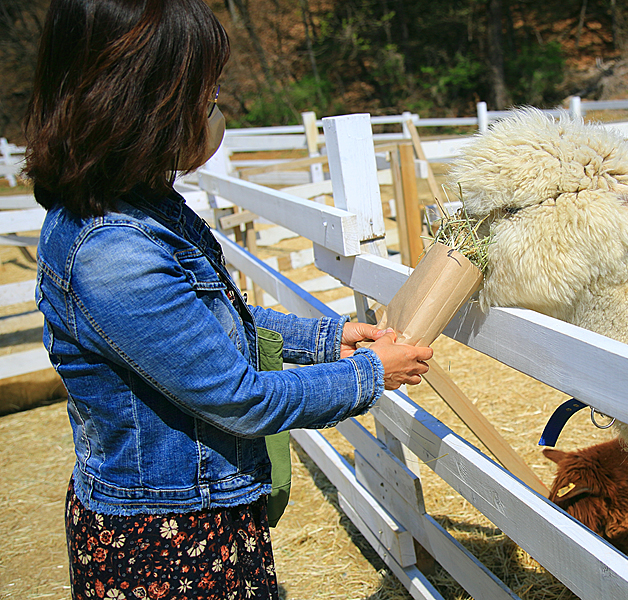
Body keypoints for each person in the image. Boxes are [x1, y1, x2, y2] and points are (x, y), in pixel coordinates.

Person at [24, 0, 433, 598]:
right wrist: (368, 377)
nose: (218, 113)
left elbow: (211, 323)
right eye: (206, 97)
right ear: (142, 103)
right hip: (164, 541)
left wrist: (326, 338)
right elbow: (238, 399)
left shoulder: (141, 204)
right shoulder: (114, 252)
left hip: (197, 507)